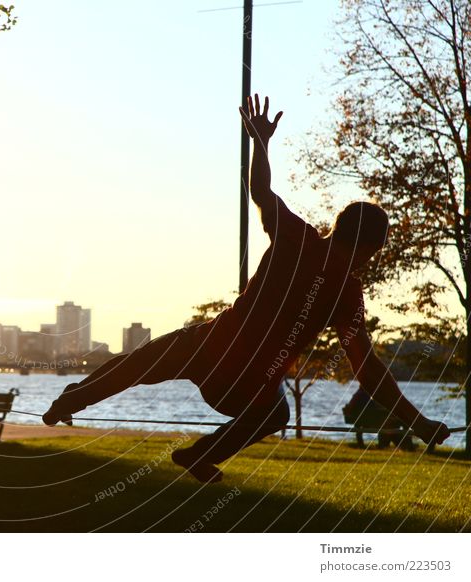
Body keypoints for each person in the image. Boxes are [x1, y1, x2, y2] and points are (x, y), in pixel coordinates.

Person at [42, 94, 451, 484]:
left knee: (141, 363)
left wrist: (261, 144)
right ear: (369, 250)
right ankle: (198, 454)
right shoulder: (346, 294)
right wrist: (419, 422)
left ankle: (72, 400)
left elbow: (260, 192)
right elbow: (367, 369)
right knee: (274, 414)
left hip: (210, 346)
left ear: (337, 228)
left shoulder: (299, 237)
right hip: (245, 386)